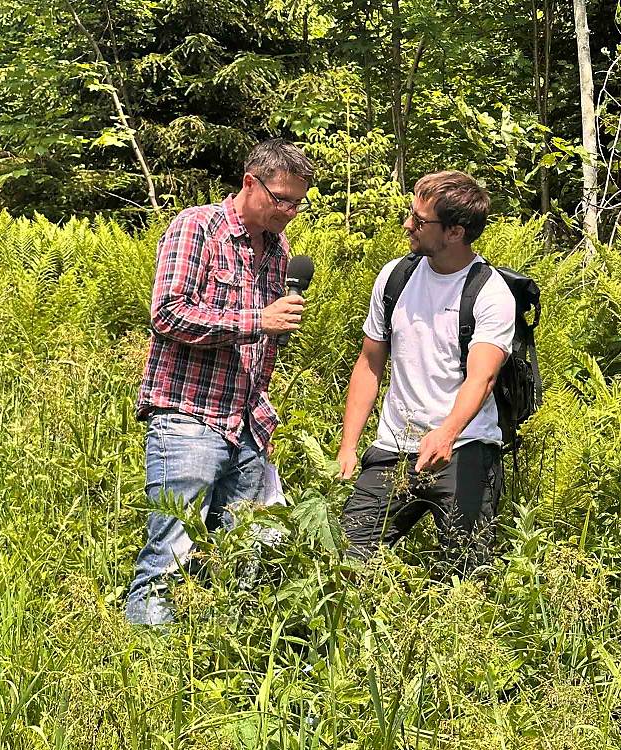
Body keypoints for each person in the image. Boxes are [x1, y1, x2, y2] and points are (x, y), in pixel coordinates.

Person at [125, 139, 314, 625]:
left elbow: (262, 332)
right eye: (281, 199)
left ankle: (219, 664)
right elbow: (168, 314)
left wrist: (270, 330)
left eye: (298, 202)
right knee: (169, 557)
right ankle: (147, 678)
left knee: (241, 560)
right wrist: (258, 321)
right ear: (250, 182)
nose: (290, 212)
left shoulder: (278, 248)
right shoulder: (197, 228)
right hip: (189, 415)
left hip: (249, 423)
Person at [336, 170, 515, 571]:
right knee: (343, 565)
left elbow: (482, 377)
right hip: (393, 449)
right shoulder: (395, 276)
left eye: (420, 220)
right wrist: (349, 446)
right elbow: (369, 363)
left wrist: (447, 431)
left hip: (464, 449)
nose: (407, 225)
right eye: (410, 214)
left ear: (455, 232)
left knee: (465, 574)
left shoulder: (489, 294)